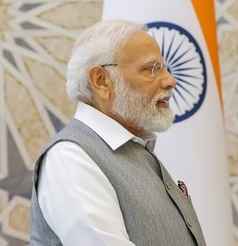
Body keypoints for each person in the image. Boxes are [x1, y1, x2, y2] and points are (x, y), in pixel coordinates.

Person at [29, 19, 206, 245]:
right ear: (101, 81)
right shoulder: (69, 158)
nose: (171, 80)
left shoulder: (136, 150)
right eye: (152, 69)